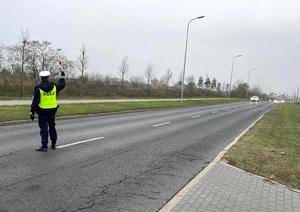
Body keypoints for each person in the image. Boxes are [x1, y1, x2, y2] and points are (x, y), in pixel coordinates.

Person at [30, 70, 65, 152]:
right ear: (48, 77)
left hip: (42, 111)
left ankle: (44, 146)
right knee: (52, 127)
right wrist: (62, 77)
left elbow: (35, 101)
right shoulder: (54, 86)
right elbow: (62, 85)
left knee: (44, 128)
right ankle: (53, 144)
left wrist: (32, 111)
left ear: (41, 78)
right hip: (52, 110)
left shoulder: (38, 88)